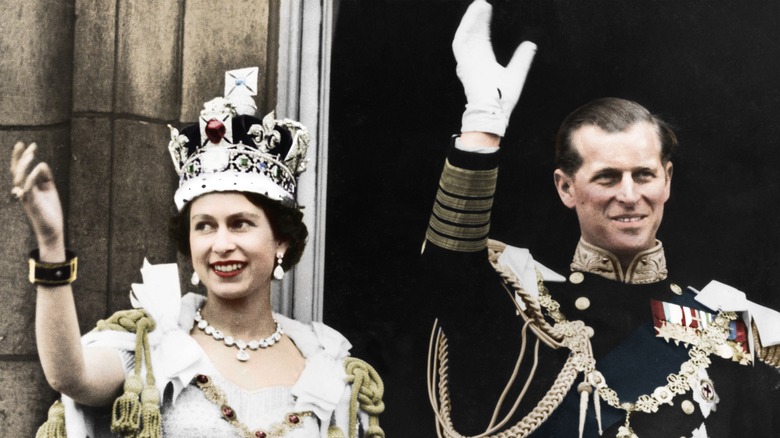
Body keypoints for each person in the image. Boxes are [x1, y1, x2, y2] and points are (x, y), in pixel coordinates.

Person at [422, 1, 780, 437]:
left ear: (666, 180)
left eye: (643, 175)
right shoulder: (528, 311)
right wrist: (483, 124)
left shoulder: (732, 328)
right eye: (607, 177)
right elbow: (448, 271)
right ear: (566, 188)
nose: (629, 196)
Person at [11, 68, 384, 438]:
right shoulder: (150, 347)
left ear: (282, 240)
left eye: (240, 224)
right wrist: (51, 244)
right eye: (205, 226)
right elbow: (69, 375)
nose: (221, 244)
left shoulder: (329, 368)